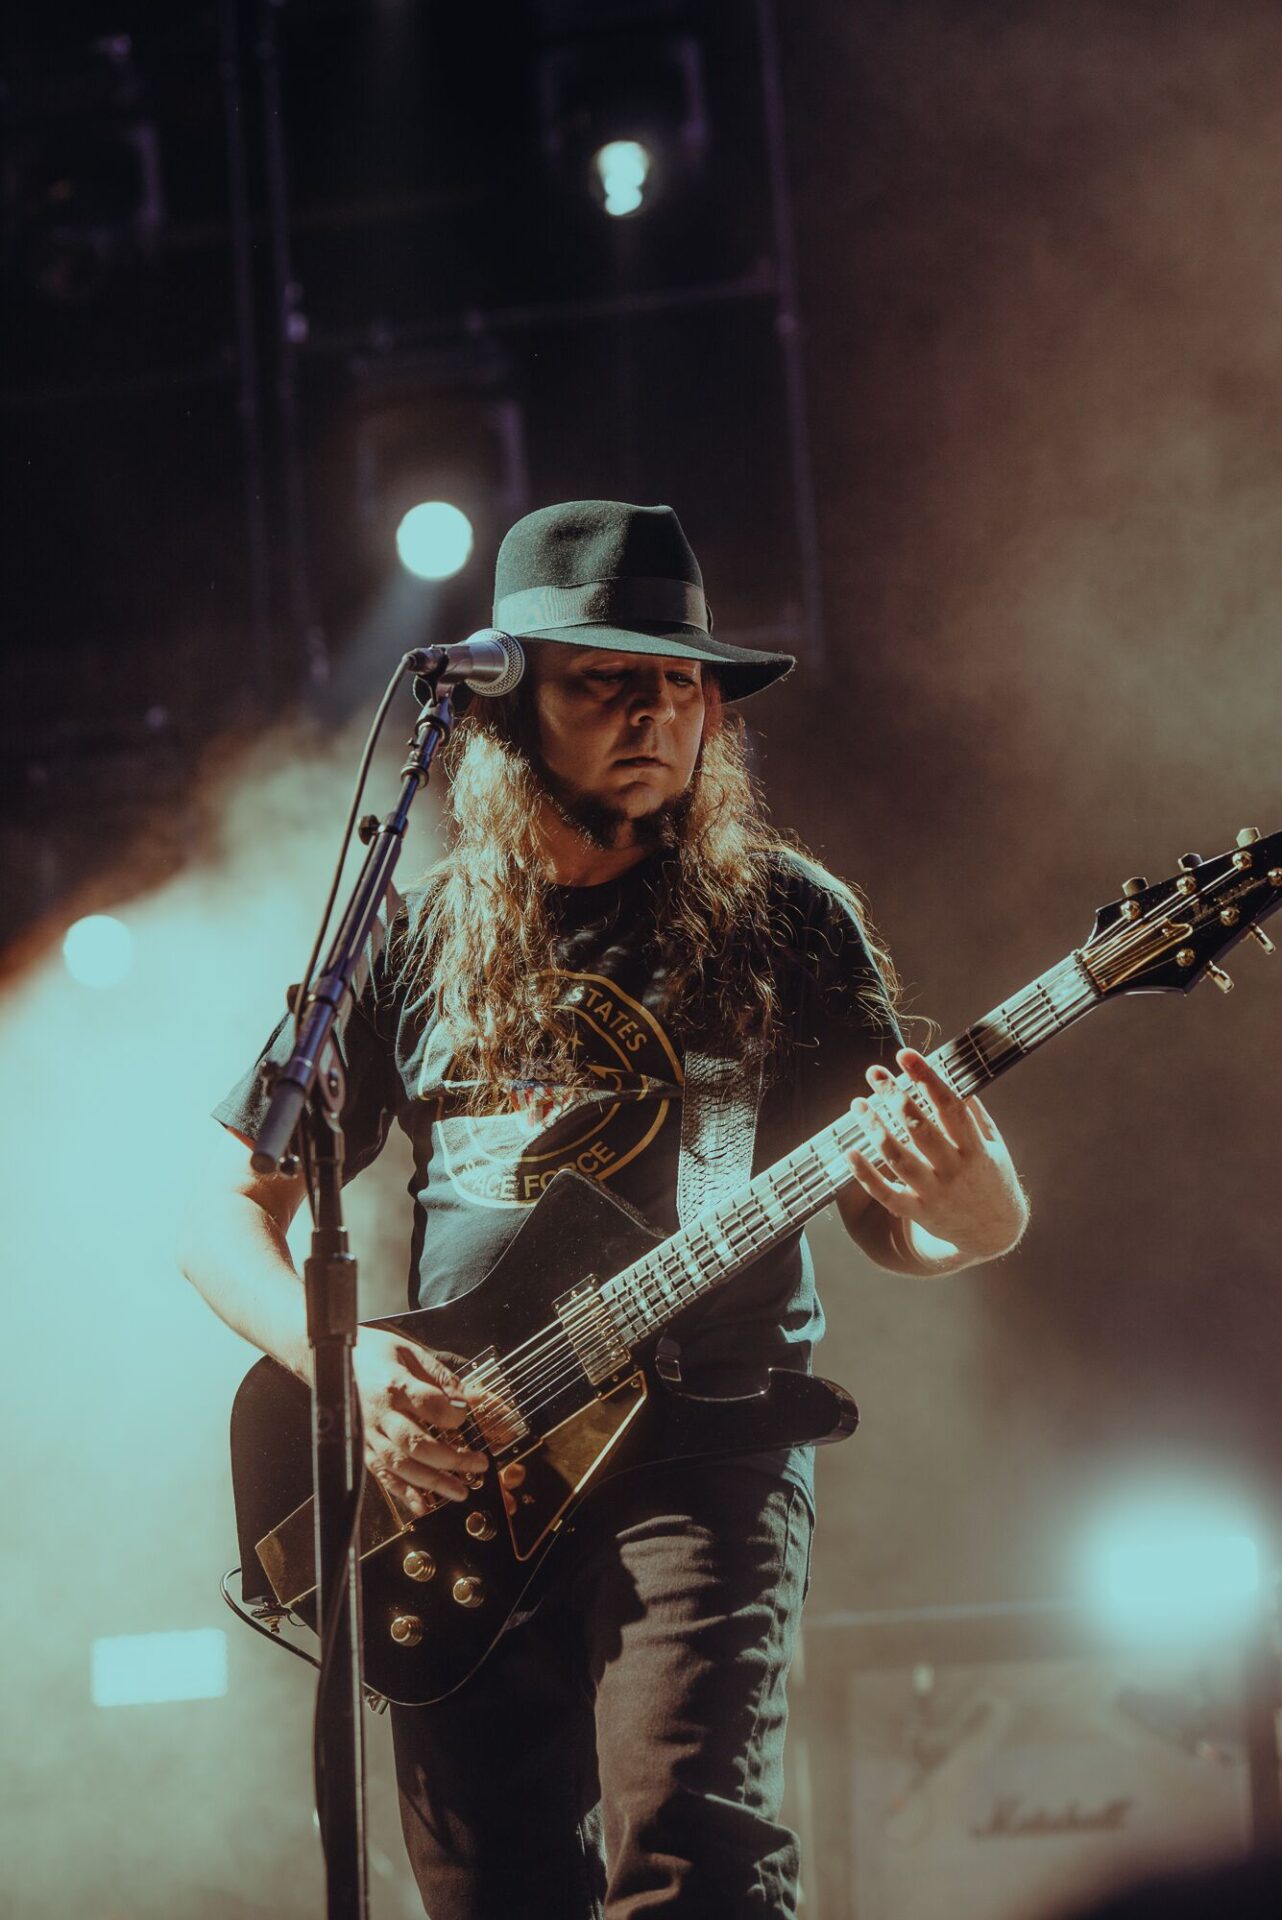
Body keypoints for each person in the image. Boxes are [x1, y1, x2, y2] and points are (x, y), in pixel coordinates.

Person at [181, 499, 1029, 1918]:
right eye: (605, 682)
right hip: (461, 1468)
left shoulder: (788, 922)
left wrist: (974, 1202)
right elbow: (223, 1209)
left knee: (692, 1867)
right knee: (487, 1890)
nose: (655, 714)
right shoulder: (412, 932)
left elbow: (908, 1223)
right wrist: (346, 1367)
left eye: (680, 684)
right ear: (507, 711)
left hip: (702, 1448)